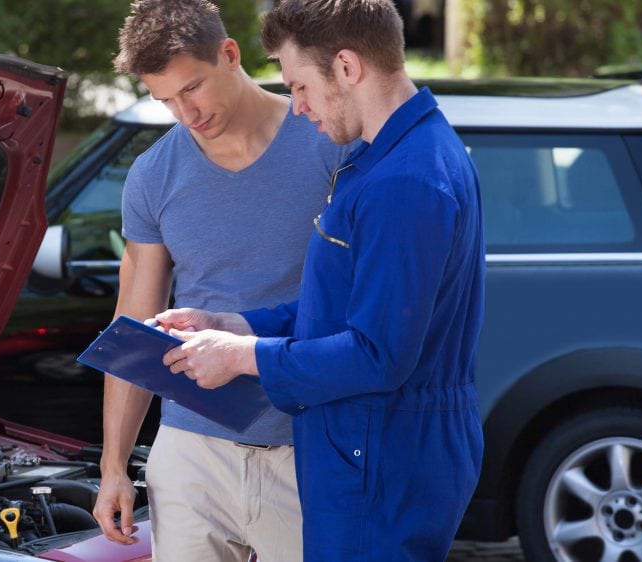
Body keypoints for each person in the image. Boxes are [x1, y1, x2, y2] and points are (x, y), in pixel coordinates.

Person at [155, 0, 486, 560]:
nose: (297, 106)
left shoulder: (406, 181)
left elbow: (376, 354)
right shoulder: (383, 160)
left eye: (301, 86)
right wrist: (233, 324)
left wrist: (242, 356)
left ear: (348, 67)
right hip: (371, 449)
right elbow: (344, 306)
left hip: (380, 456)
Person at [90, 1, 354, 560]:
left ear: (230, 54)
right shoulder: (153, 176)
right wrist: (114, 466)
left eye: (192, 89)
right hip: (191, 448)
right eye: (165, 100)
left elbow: (361, 300)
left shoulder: (329, 142)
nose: (185, 113)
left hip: (308, 443)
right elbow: (132, 329)